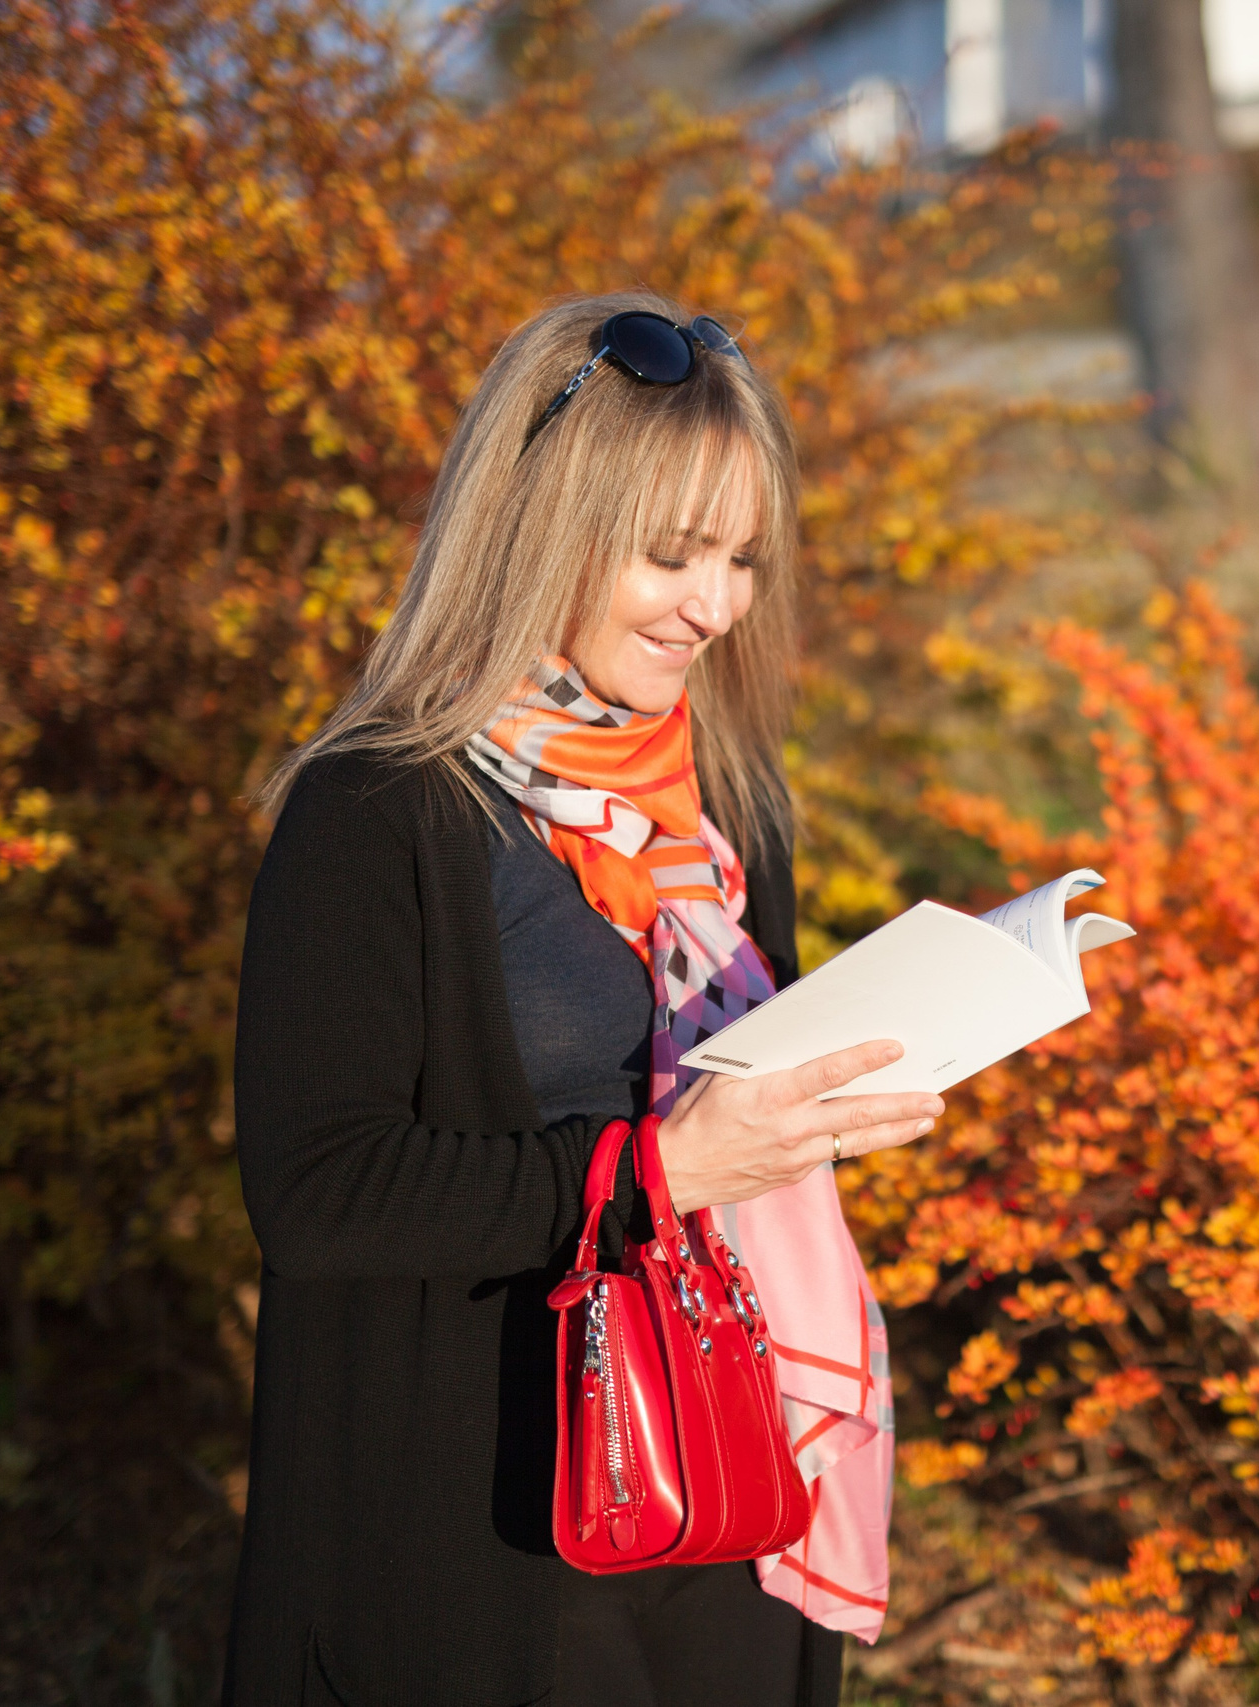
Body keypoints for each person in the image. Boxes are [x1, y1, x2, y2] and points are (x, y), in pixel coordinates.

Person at [224, 292, 940, 1707]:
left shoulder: (728, 804)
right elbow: (320, 1196)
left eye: (741, 558)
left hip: (727, 1462)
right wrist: (663, 1168)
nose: (717, 606)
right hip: (484, 1516)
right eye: (671, 555)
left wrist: (811, 1116)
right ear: (538, 525)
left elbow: (738, 1109)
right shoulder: (378, 810)